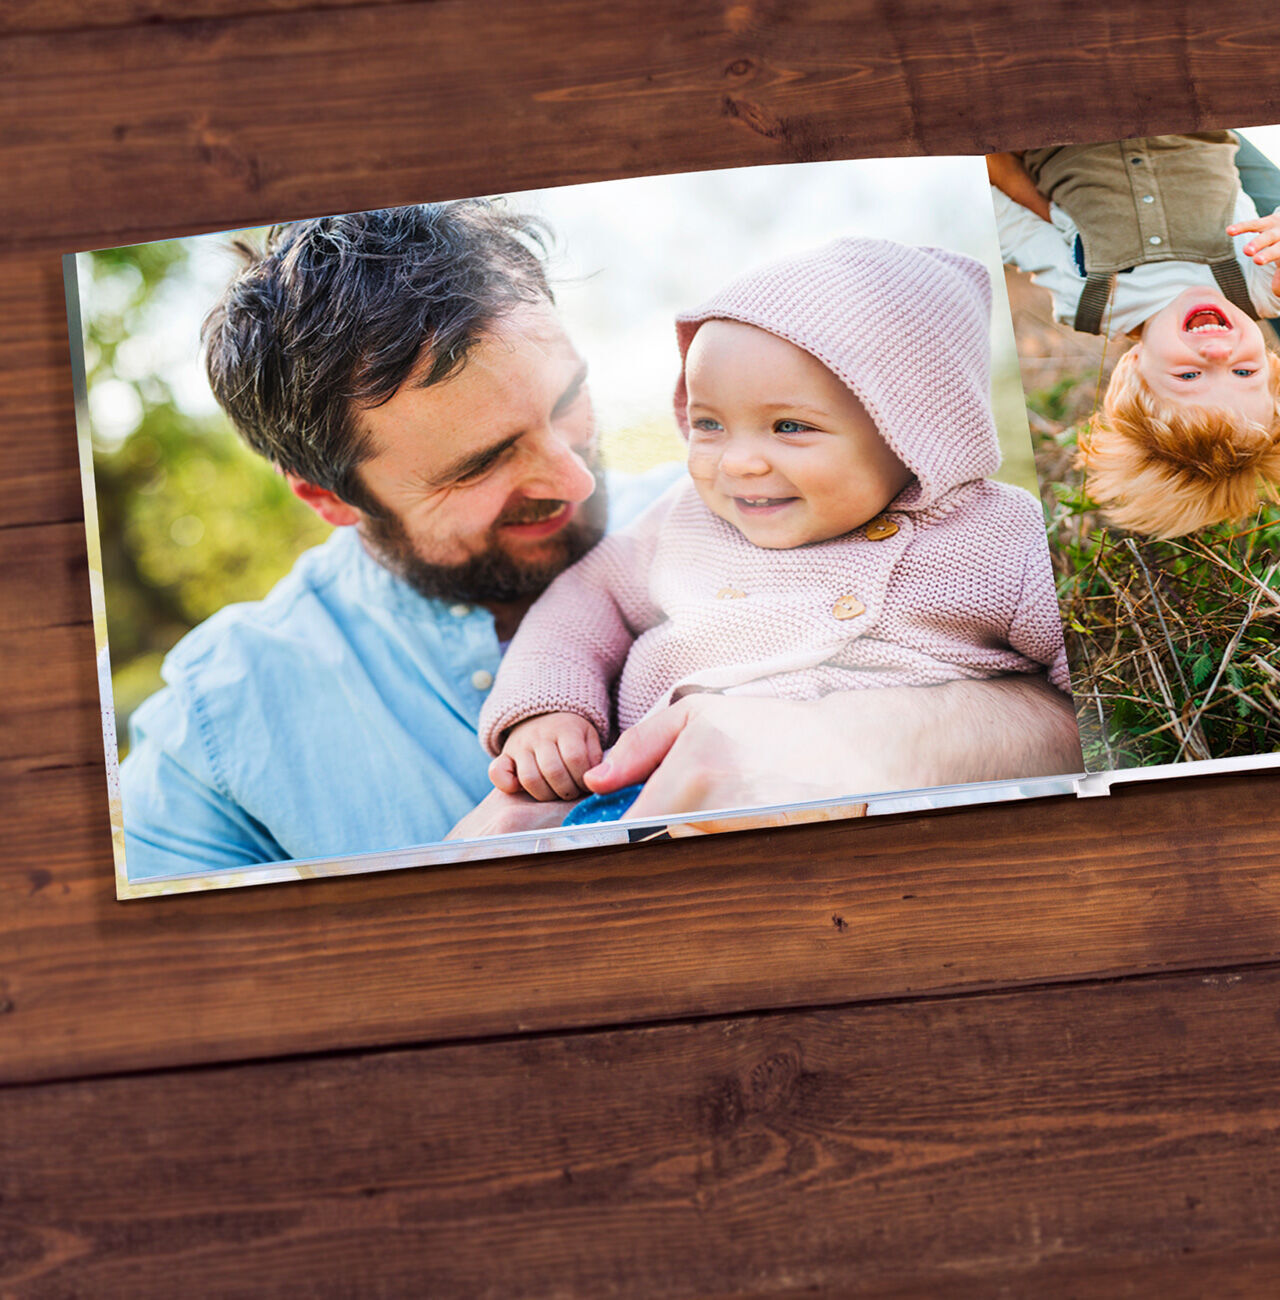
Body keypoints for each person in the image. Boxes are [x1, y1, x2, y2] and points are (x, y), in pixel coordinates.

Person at [119, 202, 1083, 881]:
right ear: (329, 498)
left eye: (569, 406)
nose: (579, 480)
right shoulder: (210, 738)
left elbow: (1113, 705)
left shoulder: (742, 512)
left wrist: (877, 740)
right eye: (481, 463)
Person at [479, 239, 1070, 818]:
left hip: (887, 797)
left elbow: (1097, 678)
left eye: (789, 426)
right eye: (709, 423)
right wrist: (549, 708)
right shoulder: (686, 519)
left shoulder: (996, 537)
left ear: (913, 432)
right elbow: (585, 603)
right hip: (637, 796)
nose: (738, 462)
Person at [989, 133, 1280, 537]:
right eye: (1245, 372)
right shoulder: (1262, 284)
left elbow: (1010, 220)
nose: (1217, 354)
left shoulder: (1090, 300)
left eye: (1190, 377)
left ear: (1135, 369)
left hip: (1061, 126)